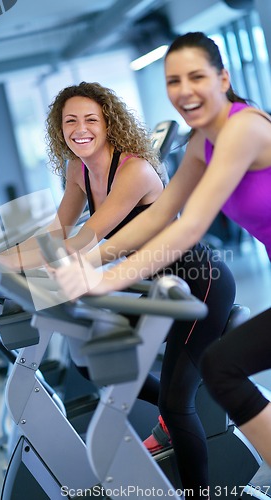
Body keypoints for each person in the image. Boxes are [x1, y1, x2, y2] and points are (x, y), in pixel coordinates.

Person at [54, 31, 271, 497]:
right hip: (182, 283)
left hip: (204, 281)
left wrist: (104, 277)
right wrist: (91, 264)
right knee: (218, 368)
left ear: (223, 78)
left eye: (196, 76)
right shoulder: (200, 144)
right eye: (174, 80)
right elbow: (155, 218)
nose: (184, 90)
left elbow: (188, 226)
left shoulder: (245, 128)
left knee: (214, 374)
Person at [0, 81, 164, 273]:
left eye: (91, 120)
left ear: (108, 125)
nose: (80, 129)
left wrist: (6, 262)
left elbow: (82, 242)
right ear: (60, 129)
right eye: (71, 121)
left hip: (177, 277)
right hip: (140, 274)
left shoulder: (134, 171)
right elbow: (57, 231)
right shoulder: (77, 168)